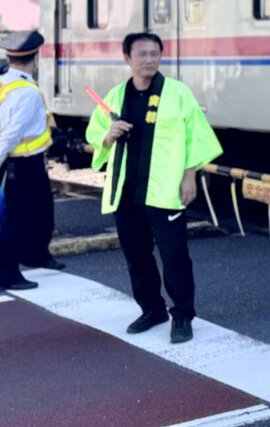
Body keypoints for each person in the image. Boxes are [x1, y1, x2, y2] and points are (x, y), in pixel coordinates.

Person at [86, 33, 222, 344]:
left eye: (155, 53)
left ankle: (183, 314)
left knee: (175, 256)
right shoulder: (115, 95)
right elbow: (96, 135)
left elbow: (195, 136)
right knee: (137, 256)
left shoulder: (177, 93)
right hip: (126, 191)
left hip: (165, 190)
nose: (149, 59)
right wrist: (109, 135)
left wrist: (190, 177)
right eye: (142, 54)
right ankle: (152, 309)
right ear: (127, 58)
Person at [0, 31, 59, 290]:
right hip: (22, 163)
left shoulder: (6, 83)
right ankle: (8, 274)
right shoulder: (26, 92)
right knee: (15, 219)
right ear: (35, 57)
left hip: (29, 162)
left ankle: (36, 255)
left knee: (42, 210)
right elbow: (11, 134)